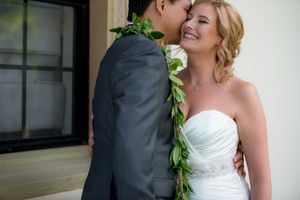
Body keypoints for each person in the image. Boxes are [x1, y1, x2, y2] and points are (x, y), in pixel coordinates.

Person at [82, 0, 245, 199]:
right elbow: (133, 147)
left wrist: (232, 145)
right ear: (161, 4)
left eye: (201, 20)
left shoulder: (121, 47)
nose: (187, 22)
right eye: (187, 11)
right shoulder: (146, 55)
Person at [178, 0, 272, 199]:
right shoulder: (166, 83)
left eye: (201, 21)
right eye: (188, 17)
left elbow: (260, 179)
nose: (189, 24)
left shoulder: (242, 92)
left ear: (221, 37)